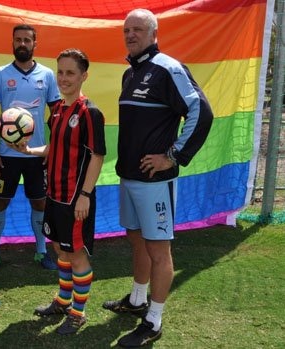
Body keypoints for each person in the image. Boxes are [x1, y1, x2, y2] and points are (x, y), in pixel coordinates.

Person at [101, 9, 213, 347]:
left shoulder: (169, 68)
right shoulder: (129, 74)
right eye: (126, 30)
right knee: (136, 240)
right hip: (129, 176)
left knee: (159, 250)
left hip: (154, 182)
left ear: (153, 33)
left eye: (137, 30)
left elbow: (201, 111)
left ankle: (154, 319)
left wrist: (172, 156)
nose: (130, 35)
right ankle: (137, 300)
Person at [17, 48, 106, 335]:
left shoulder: (89, 112)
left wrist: (84, 195)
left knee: (76, 255)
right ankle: (63, 300)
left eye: (70, 72)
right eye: (60, 72)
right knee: (59, 249)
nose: (64, 78)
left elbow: (97, 156)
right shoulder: (56, 110)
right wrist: (30, 150)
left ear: (84, 76)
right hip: (53, 196)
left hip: (74, 199)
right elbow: (55, 148)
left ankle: (77, 314)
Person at [0, 24, 61, 276]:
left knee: (39, 203)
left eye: (27, 40)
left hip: (35, 154)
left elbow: (56, 114)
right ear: (12, 42)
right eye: (18, 40)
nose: (22, 44)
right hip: (7, 155)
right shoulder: (1, 74)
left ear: (35, 44)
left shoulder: (47, 75)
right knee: (0, 202)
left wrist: (52, 149)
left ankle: (41, 250)